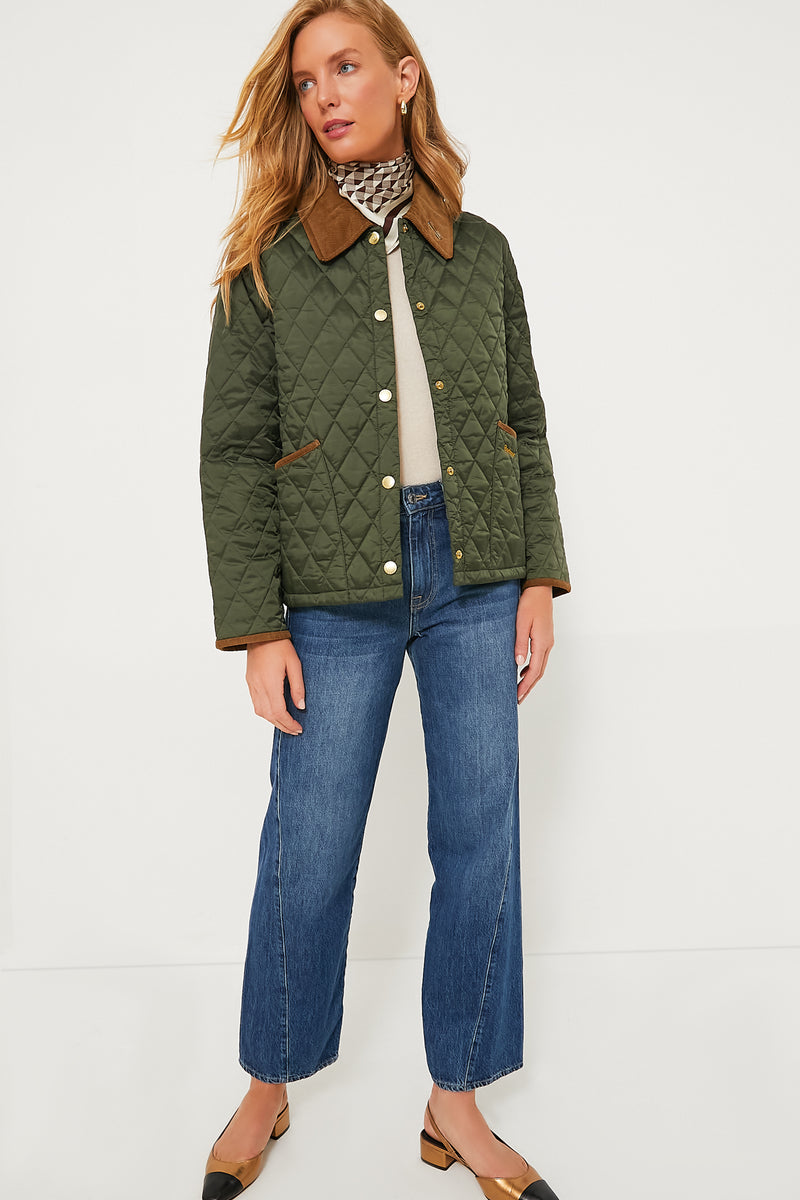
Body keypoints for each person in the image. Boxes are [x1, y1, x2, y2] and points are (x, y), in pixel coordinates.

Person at [198, 2, 570, 1197]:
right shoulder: (267, 266)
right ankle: (269, 1079)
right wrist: (258, 624)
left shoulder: (481, 250)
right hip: (328, 588)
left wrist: (537, 574)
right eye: (306, 81)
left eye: (345, 67)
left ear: (403, 77)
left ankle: (454, 1103)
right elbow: (232, 455)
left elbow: (521, 419)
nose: (324, 96)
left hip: (476, 573)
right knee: (307, 847)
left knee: (479, 838)